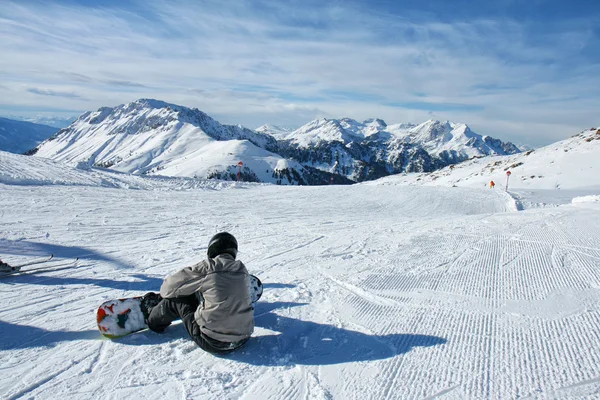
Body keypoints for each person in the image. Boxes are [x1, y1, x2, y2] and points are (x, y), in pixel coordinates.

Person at [140, 232, 254, 353]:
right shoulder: (242, 270)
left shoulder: (209, 267)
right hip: (243, 339)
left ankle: (153, 318)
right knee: (205, 293)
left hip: (213, 342)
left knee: (179, 300)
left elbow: (167, 288)